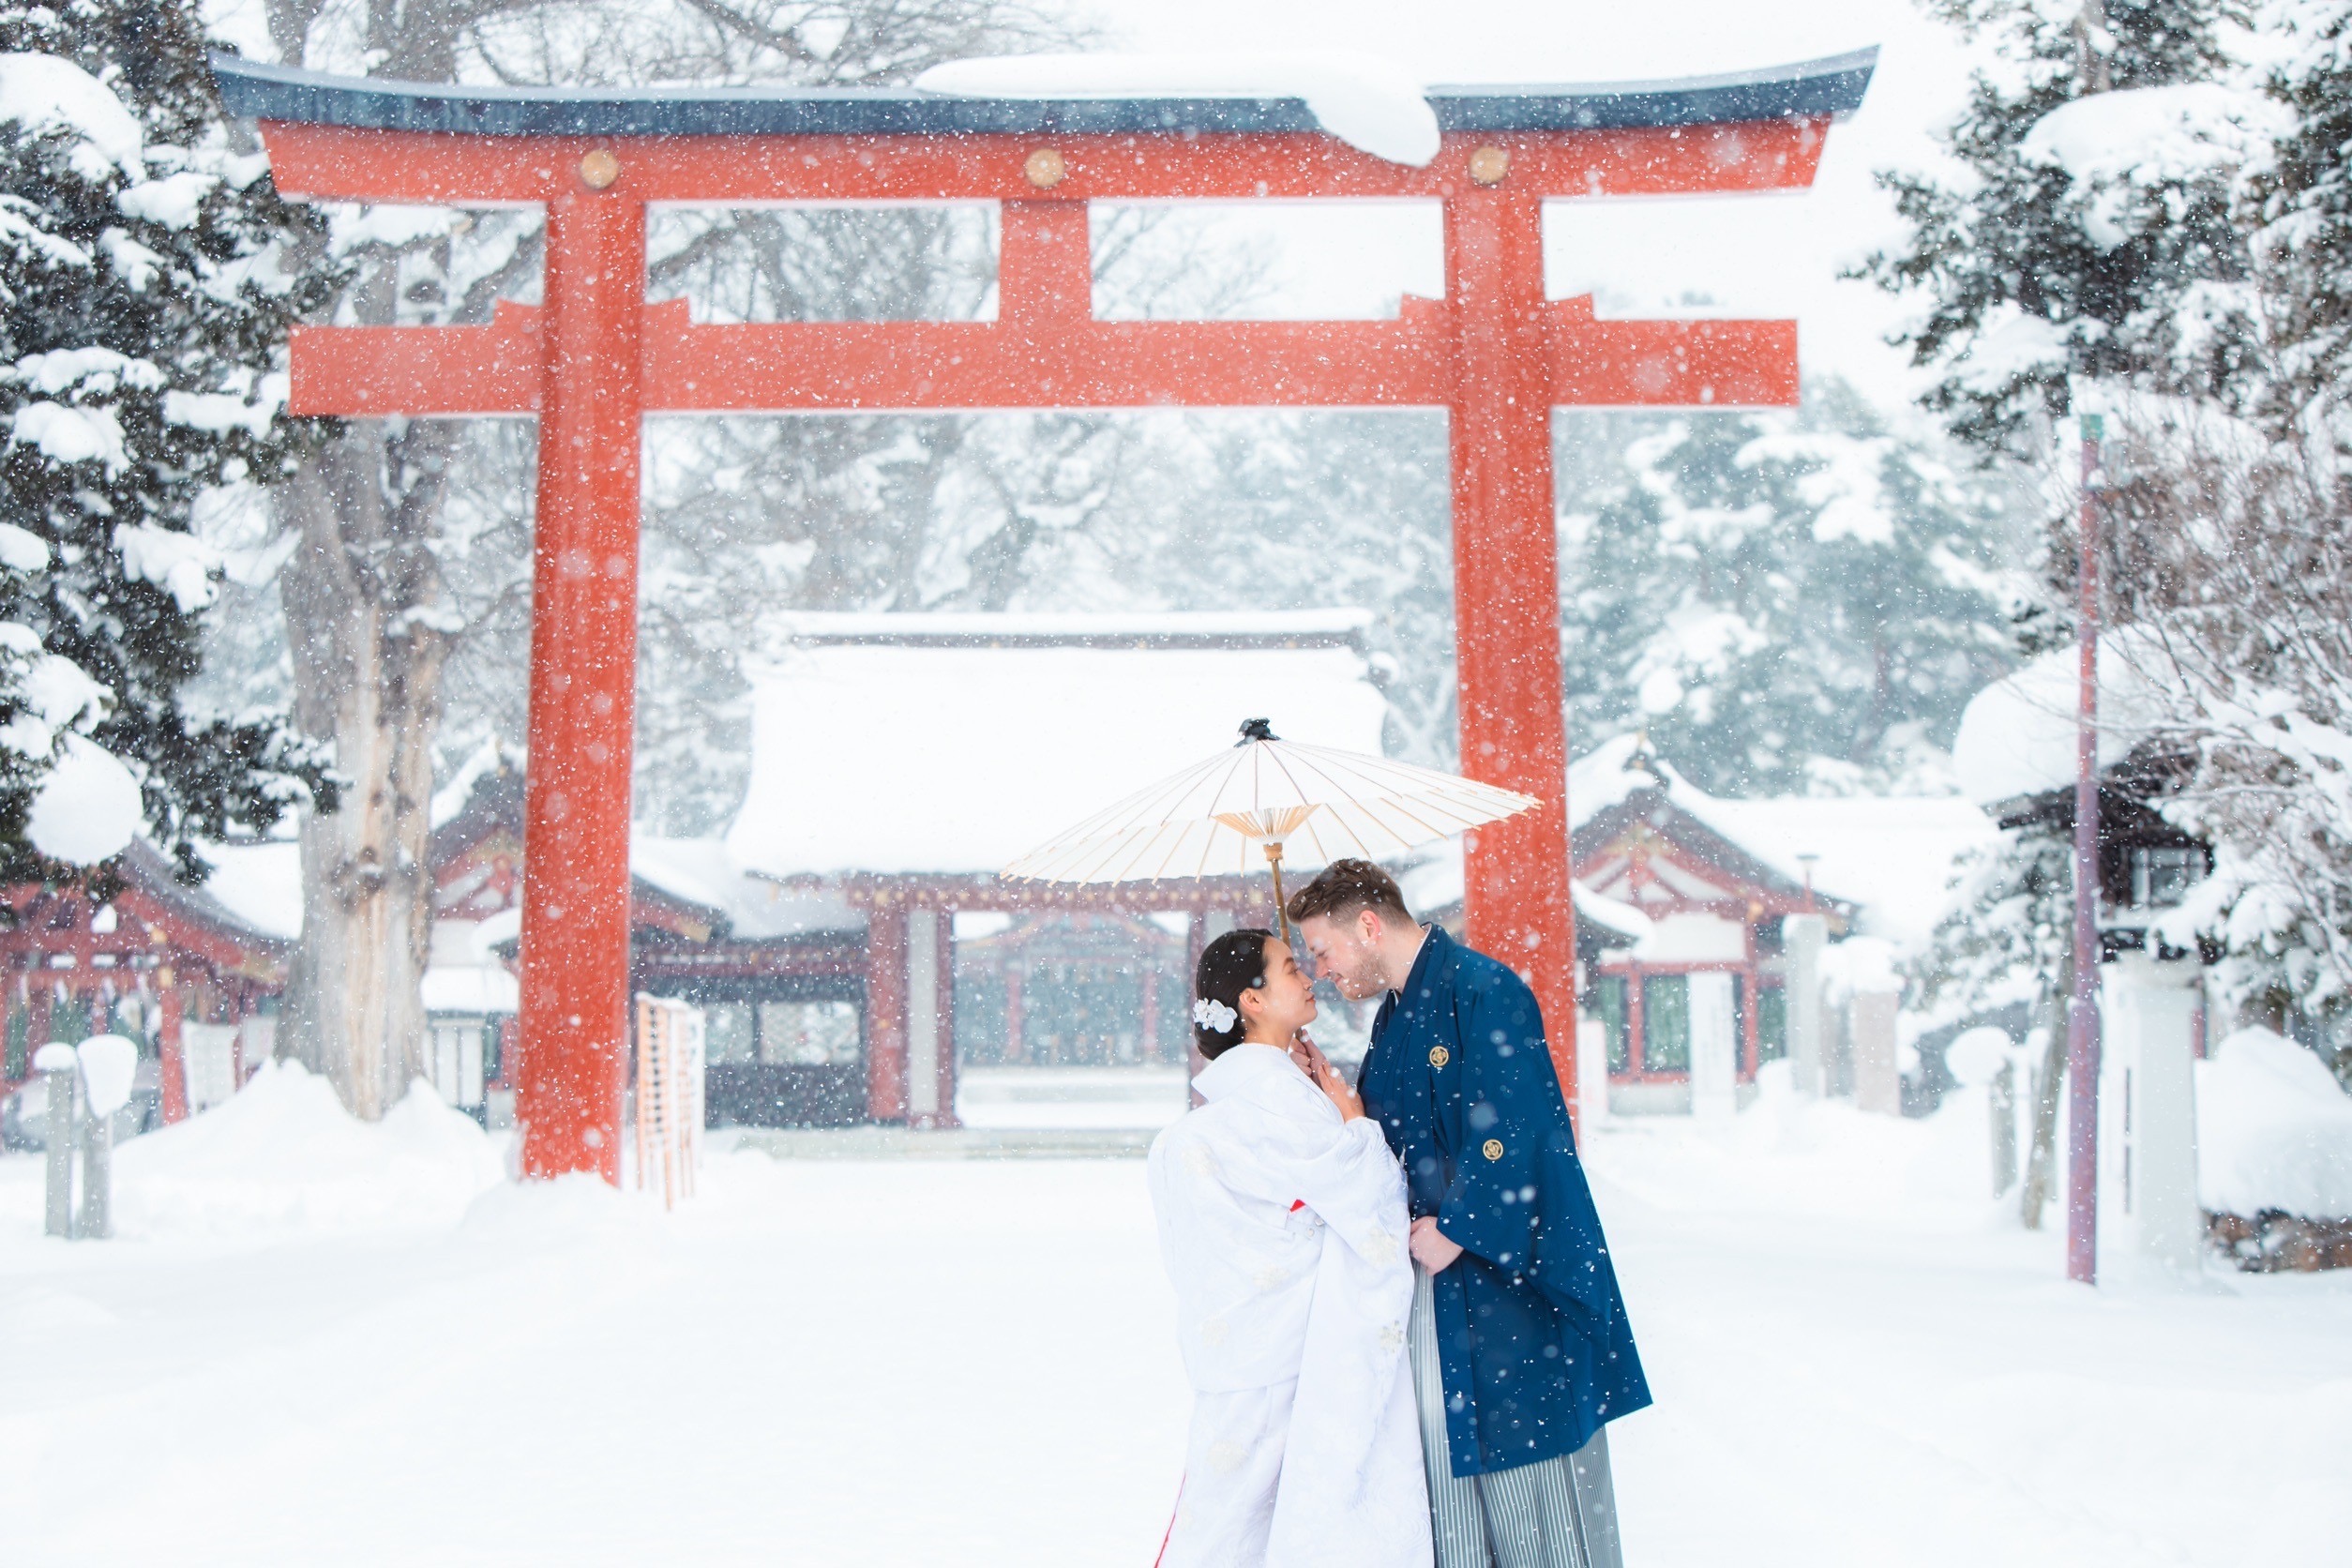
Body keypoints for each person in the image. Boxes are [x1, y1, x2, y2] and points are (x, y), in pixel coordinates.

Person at [1289, 861, 1649, 1568]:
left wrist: (1460, 1225)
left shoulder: (1485, 990)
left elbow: (1523, 1129)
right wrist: (1336, 1100)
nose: (1322, 971)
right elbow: (1398, 1144)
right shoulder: (1393, 1019)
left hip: (1513, 1290)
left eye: (1323, 951)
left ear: (1367, 926)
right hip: (1442, 1292)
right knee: (1455, 1500)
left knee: (1538, 1498)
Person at [1146, 928, 1432, 1568]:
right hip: (1289, 1342)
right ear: (1252, 1001)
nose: (1307, 977)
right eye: (1287, 967)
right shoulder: (1275, 1097)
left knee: (1229, 1520)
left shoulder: (1260, 1092)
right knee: (1269, 1516)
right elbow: (1366, 1198)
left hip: (1250, 1340)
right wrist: (1353, 1119)